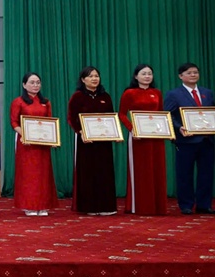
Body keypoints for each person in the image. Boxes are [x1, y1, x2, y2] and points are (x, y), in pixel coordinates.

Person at [164, 62, 214, 214]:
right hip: (186, 140)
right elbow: (168, 115)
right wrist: (179, 127)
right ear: (181, 76)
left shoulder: (208, 93)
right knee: (184, 173)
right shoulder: (174, 94)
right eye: (189, 73)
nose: (193, 75)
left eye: (195, 72)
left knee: (206, 174)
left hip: (207, 140)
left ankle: (204, 204)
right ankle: (186, 204)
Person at [67, 66, 118, 215]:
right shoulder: (77, 97)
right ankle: (89, 207)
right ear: (83, 80)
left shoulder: (105, 96)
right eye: (90, 76)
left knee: (105, 172)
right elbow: (71, 118)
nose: (94, 79)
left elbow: (111, 118)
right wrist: (80, 131)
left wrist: (115, 133)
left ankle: (107, 207)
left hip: (104, 141)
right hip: (85, 142)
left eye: (96, 76)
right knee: (88, 173)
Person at [118, 64, 168, 215]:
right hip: (138, 138)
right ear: (136, 76)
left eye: (150, 74)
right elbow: (122, 114)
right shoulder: (129, 93)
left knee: (157, 168)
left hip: (156, 137)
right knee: (141, 170)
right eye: (143, 73)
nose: (147, 76)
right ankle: (138, 206)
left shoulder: (157, 93)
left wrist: (164, 129)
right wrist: (132, 129)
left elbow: (161, 114)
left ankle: (157, 206)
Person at [10, 72, 58, 216]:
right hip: (26, 144)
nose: (35, 85)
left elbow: (50, 122)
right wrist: (25, 134)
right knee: (28, 175)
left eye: (38, 82)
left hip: (42, 144)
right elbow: (14, 122)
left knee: (43, 175)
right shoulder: (18, 102)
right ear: (24, 85)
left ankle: (43, 205)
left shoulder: (46, 102)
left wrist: (53, 139)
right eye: (32, 82)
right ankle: (29, 206)